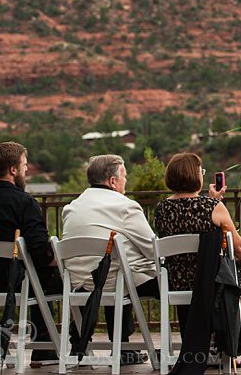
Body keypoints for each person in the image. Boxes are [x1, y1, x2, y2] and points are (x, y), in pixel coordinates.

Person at [0, 142, 60, 365]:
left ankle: (44, 348)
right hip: (20, 285)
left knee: (38, 276)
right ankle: (47, 348)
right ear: (13, 170)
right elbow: (38, 250)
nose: (27, 170)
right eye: (24, 165)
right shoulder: (25, 203)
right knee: (57, 279)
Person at [61, 155, 159, 365]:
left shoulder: (71, 208)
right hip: (115, 282)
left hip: (79, 284)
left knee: (116, 269)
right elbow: (153, 249)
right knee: (159, 279)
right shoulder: (125, 206)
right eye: (124, 175)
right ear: (112, 181)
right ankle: (193, 347)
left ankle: (118, 348)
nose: (126, 180)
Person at [154, 152, 241, 327]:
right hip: (210, 281)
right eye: (201, 172)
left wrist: (213, 200)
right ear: (195, 176)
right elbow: (240, 249)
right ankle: (230, 336)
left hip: (174, 282)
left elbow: (186, 221)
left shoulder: (161, 209)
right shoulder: (212, 207)